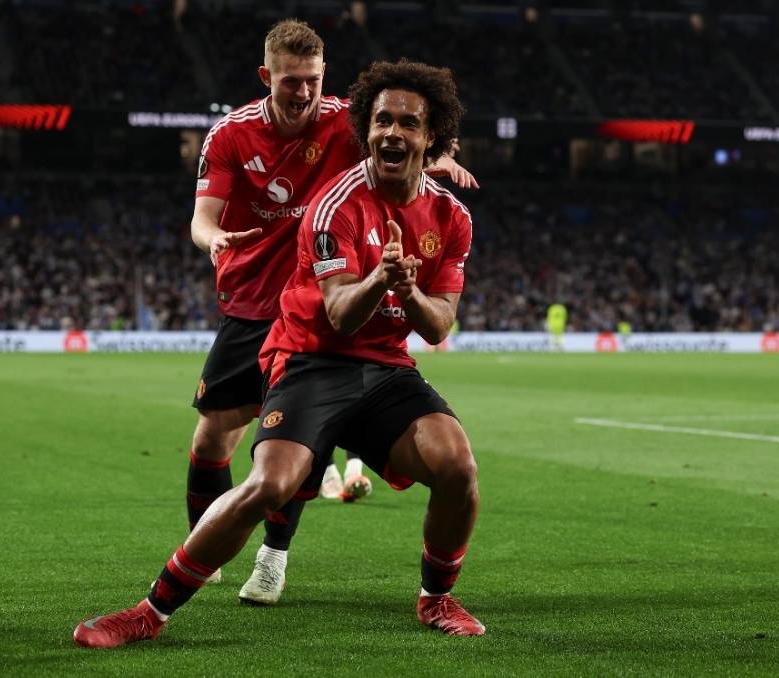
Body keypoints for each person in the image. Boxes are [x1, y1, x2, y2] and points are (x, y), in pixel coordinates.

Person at [73, 58, 483, 648]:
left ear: (431, 137)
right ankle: (147, 612)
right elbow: (340, 315)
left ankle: (436, 598)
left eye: (408, 124)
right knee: (269, 484)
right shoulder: (334, 205)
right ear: (365, 128)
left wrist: (409, 290)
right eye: (381, 121)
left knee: (458, 467)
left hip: (386, 368)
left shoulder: (451, 217)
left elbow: (440, 325)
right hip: (312, 359)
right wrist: (382, 279)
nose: (392, 132)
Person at [184, 19, 476, 605]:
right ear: (266, 77)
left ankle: (273, 557)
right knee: (214, 437)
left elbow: (397, 140)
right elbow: (202, 218)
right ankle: (203, 549)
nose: (304, 92)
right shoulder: (231, 135)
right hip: (252, 301)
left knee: (298, 444)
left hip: (319, 300)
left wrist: (437, 156)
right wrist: (214, 239)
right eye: (291, 81)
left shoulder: (346, 120)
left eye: (313, 80)